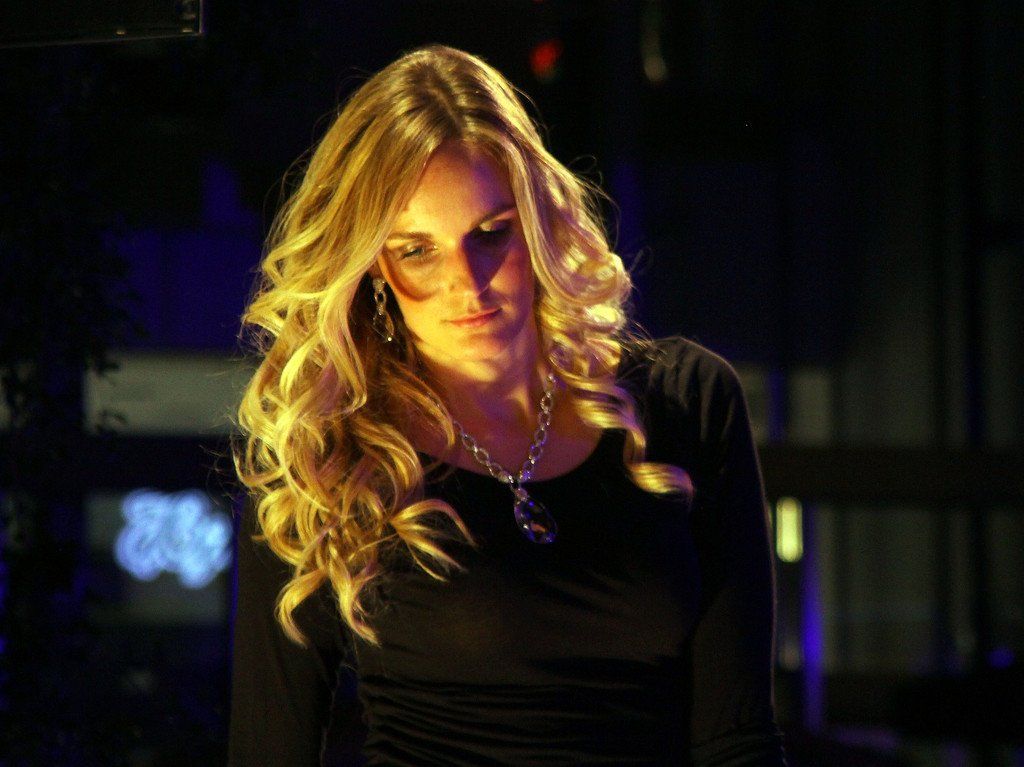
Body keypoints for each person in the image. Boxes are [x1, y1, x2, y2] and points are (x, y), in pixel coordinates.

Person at [228, 44, 787, 766]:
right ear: (372, 268)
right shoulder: (326, 456)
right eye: (417, 250)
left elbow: (737, 738)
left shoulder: (687, 401)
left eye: (491, 233)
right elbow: (269, 748)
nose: (468, 281)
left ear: (538, 221)